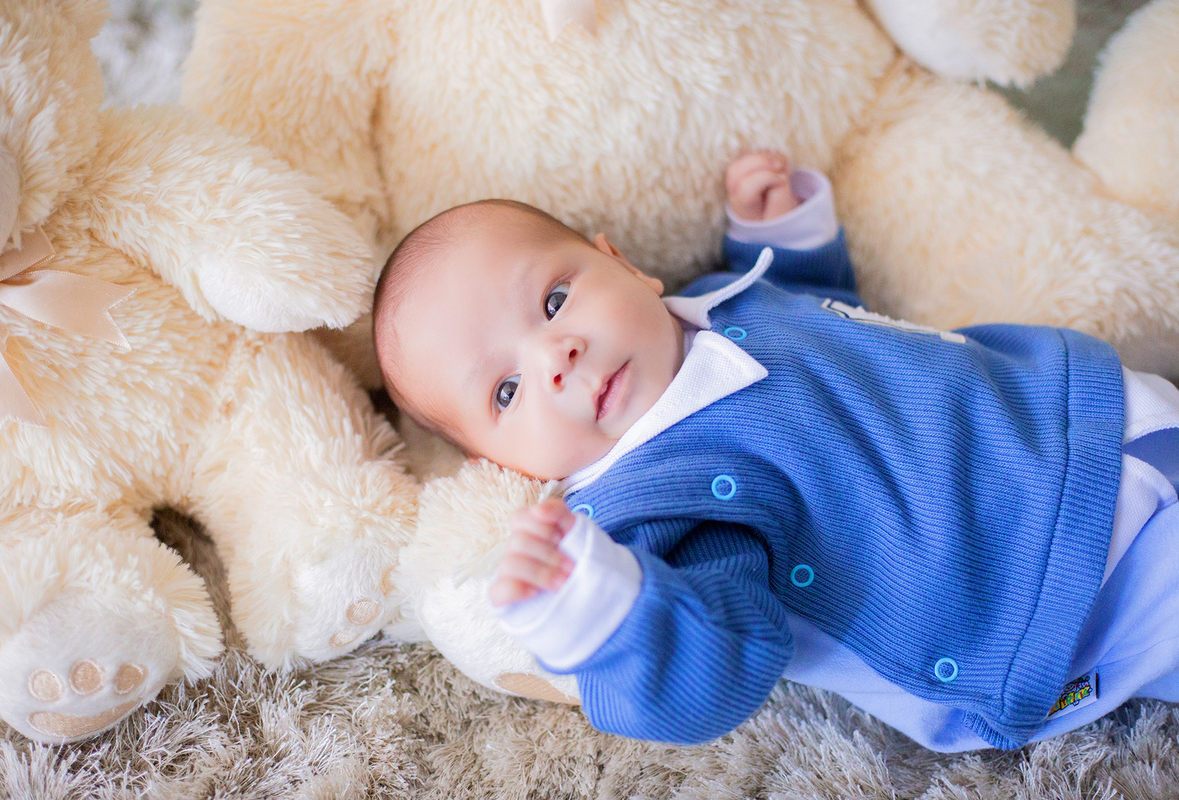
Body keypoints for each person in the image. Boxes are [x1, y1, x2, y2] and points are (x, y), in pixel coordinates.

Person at [371, 152, 1179, 752]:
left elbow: (841, 334)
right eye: (506, 393)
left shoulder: (721, 303)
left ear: (622, 263)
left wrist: (786, 240)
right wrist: (608, 616)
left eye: (553, 299)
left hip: (1079, 422)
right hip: (1062, 593)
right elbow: (717, 667)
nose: (554, 356)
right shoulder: (654, 510)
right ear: (505, 466)